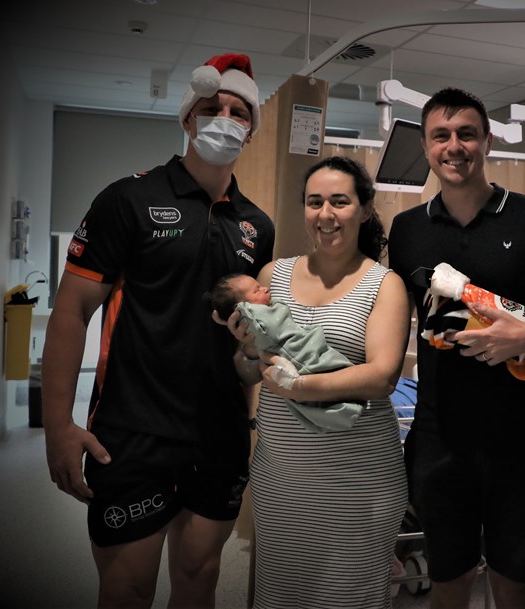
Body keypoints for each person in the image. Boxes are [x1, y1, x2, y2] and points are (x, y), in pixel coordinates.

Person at [41, 52, 275, 609]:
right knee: (127, 588)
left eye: (239, 111)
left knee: (199, 581)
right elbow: (71, 311)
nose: (225, 118)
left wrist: (249, 422)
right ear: (188, 119)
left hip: (218, 436)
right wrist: (57, 425)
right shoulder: (129, 199)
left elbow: (250, 335)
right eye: (212, 107)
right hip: (131, 432)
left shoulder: (257, 227)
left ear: (251, 129)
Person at [388, 87, 525, 609]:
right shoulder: (406, 230)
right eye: (441, 136)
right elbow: (386, 318)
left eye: (467, 133)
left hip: (521, 437)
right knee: (449, 580)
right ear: (427, 147)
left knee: (513, 582)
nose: (455, 146)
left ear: (487, 142)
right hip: (439, 436)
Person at [223, 155, 410, 609]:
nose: (325, 214)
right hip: (283, 479)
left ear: (364, 209)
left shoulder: (384, 285)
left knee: (349, 598)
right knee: (281, 596)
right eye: (314, 202)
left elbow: (382, 376)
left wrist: (298, 387)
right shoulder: (273, 277)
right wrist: (247, 350)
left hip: (357, 481)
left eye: (340, 201)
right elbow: (249, 371)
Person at [208, 272, 365, 433]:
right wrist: (251, 347)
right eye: (257, 290)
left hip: (359, 445)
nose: (265, 289)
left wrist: (295, 386)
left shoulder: (378, 282)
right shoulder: (272, 277)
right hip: (275, 446)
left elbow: (382, 380)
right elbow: (246, 377)